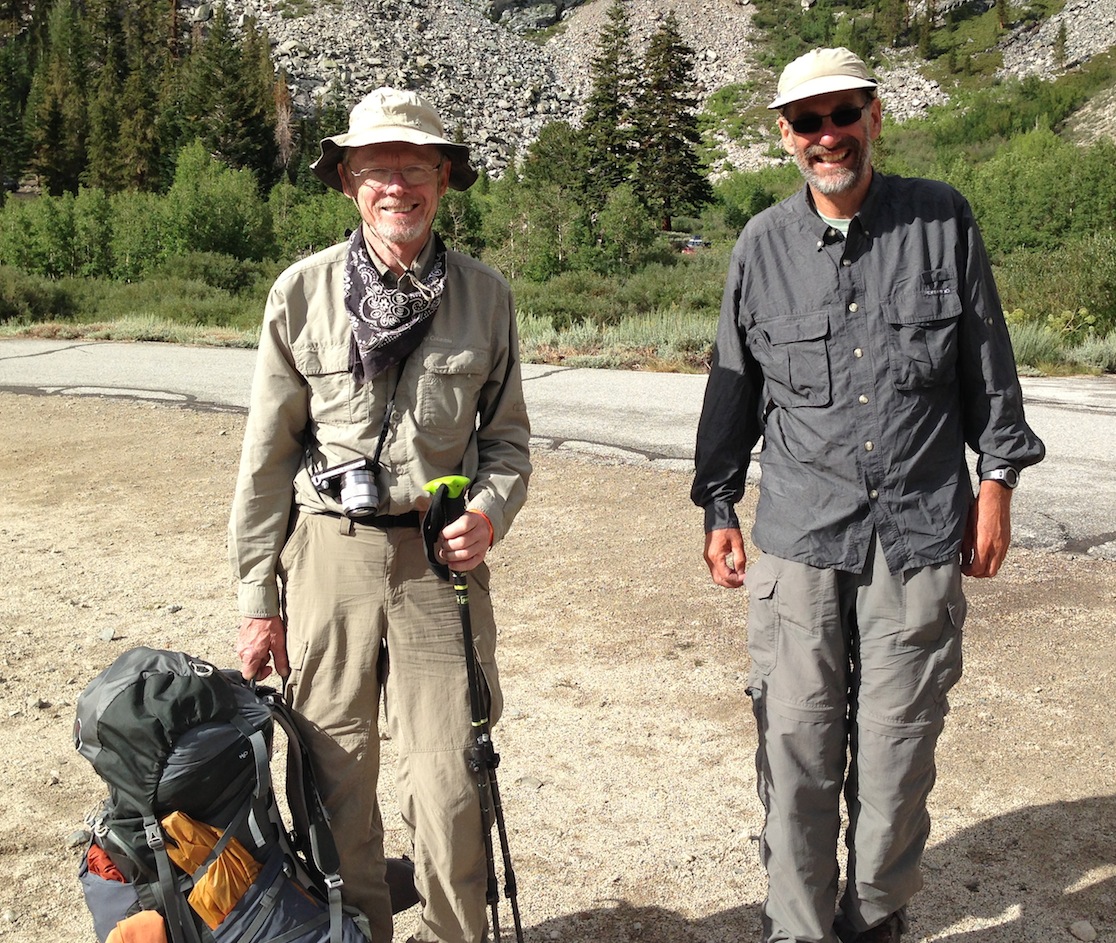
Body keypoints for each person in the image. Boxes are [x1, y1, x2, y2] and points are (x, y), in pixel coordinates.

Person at [691, 48, 1045, 943]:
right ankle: (800, 928)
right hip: (802, 540)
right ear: (785, 135)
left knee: (896, 757)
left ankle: (876, 917)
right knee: (798, 751)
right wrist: (719, 507)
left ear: (873, 116)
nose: (826, 136)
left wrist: (996, 483)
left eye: (841, 114)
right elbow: (732, 396)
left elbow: (989, 374)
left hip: (921, 539)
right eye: (806, 122)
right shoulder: (760, 247)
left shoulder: (942, 220)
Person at [228, 87, 531, 943]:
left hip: (441, 564)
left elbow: (506, 444)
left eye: (414, 166)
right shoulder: (300, 293)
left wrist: (490, 513)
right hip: (328, 555)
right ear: (350, 182)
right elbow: (266, 459)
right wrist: (259, 599)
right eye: (375, 169)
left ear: (444, 178)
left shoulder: (487, 298)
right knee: (334, 777)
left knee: (453, 779)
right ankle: (354, 932)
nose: (396, 184)